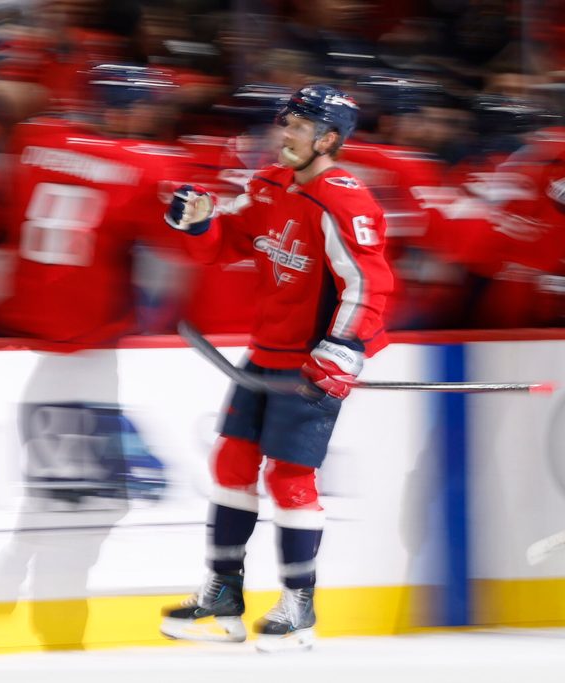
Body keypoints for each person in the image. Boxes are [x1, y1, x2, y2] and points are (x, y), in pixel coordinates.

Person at [159, 84, 394, 652]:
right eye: (283, 124)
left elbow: (369, 283)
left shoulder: (345, 198)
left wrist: (344, 348)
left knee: (290, 478)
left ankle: (299, 606)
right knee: (232, 460)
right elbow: (227, 240)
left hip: (314, 362)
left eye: (297, 126)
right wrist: (197, 220)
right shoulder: (268, 184)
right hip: (265, 353)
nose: (283, 134)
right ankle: (223, 592)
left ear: (328, 139)